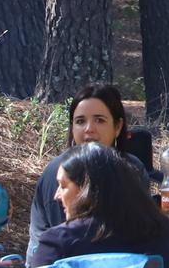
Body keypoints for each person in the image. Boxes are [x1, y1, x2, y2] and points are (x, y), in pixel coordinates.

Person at [25, 142, 169, 268]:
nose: (56, 196)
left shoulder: (57, 242)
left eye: (63, 185)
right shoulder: (159, 230)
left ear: (86, 188)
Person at [28, 85, 153, 259]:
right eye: (80, 121)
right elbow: (65, 242)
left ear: (117, 126)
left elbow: (142, 229)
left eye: (99, 120)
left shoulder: (133, 168)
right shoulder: (59, 174)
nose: (89, 129)